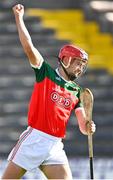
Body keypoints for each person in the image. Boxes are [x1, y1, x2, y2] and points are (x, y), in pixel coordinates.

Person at [2, 4, 96, 179]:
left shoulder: (77, 91)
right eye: (78, 64)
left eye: (83, 66)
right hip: (34, 139)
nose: (80, 69)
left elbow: (83, 126)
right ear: (66, 60)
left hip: (55, 145)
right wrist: (19, 17)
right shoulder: (45, 73)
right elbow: (28, 47)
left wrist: (89, 127)